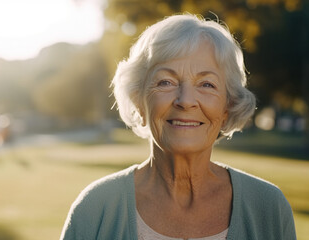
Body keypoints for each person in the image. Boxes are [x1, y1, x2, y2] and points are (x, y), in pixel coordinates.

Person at [61, 14, 296, 240]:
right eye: (166, 82)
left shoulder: (268, 207)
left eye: (206, 84)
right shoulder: (95, 208)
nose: (185, 100)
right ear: (139, 102)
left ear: (227, 108)